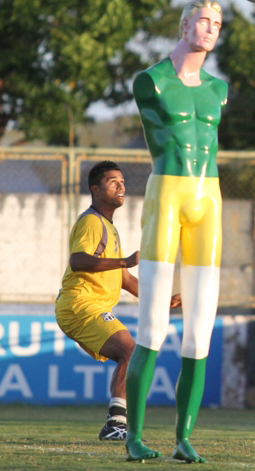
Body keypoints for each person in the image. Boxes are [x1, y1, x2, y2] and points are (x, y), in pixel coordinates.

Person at [127, 0, 227, 463]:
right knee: (152, 325)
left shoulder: (218, 89)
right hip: (166, 194)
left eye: (217, 24)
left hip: (210, 199)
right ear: (185, 24)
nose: (210, 29)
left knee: (200, 330)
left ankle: (184, 438)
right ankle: (134, 436)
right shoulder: (151, 81)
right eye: (203, 20)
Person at [57, 162, 175, 441]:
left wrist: (163, 299)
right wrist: (124, 260)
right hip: (80, 305)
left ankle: (116, 423)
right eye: (113, 181)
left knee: (131, 352)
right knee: (130, 349)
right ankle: (115, 424)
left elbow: (125, 279)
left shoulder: (109, 227)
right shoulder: (92, 221)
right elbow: (78, 261)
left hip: (89, 306)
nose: (121, 185)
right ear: (95, 189)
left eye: (122, 181)